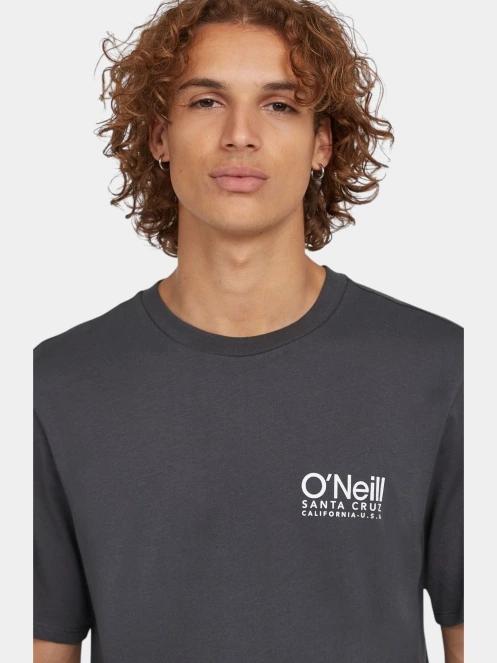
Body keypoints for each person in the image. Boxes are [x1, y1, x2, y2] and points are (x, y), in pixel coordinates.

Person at [33, 1, 464, 662]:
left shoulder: (439, 369)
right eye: (206, 102)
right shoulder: (59, 383)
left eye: (279, 105)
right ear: (159, 136)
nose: (240, 134)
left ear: (322, 143)